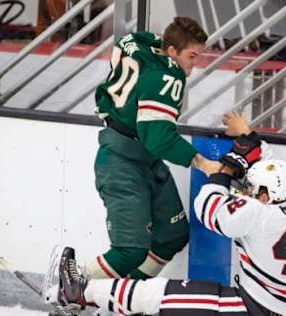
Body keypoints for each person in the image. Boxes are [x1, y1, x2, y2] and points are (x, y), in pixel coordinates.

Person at [52, 114, 286, 316]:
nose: (245, 193)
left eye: (251, 190)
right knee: (167, 295)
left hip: (254, 309)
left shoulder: (257, 214)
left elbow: (207, 208)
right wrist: (247, 134)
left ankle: (79, 292)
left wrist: (222, 174)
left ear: (265, 197)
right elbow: (269, 161)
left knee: (161, 294)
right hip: (284, 309)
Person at [87, 17, 222, 282]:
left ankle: (127, 296)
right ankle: (71, 285)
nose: (195, 63)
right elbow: (158, 138)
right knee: (130, 251)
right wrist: (202, 162)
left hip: (143, 159)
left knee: (172, 236)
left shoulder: (142, 43)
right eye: (191, 56)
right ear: (171, 51)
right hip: (120, 163)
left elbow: (131, 40)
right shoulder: (168, 75)